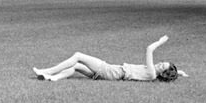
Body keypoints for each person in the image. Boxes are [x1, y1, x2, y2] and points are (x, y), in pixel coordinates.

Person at [33, 35, 187, 82]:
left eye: (162, 66)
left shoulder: (152, 73)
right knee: (76, 67)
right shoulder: (153, 74)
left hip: (112, 71)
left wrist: (160, 42)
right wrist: (180, 73)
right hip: (111, 74)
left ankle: (46, 71)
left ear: (162, 72)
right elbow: (170, 73)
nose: (159, 64)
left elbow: (149, 49)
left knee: (78, 55)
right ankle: (52, 78)